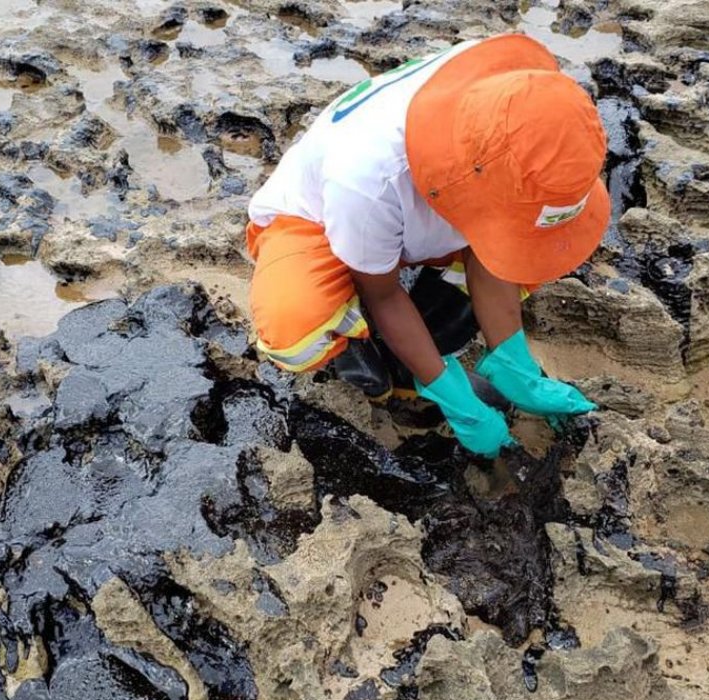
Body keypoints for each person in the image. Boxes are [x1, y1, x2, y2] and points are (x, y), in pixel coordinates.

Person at [245, 32, 608, 457]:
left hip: (420, 213)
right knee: (295, 325)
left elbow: (496, 251)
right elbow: (382, 294)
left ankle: (430, 343)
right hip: (320, 219)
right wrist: (451, 395)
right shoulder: (367, 180)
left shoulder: (517, 102)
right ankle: (377, 358)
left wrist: (514, 361)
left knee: (539, 248)